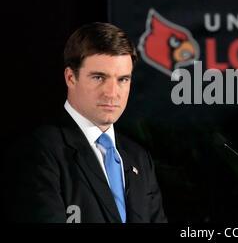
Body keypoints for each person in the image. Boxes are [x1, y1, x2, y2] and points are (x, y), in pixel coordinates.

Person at [3, 22, 167, 223]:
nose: (112, 93)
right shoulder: (39, 151)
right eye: (99, 77)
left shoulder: (139, 158)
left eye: (123, 79)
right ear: (71, 77)